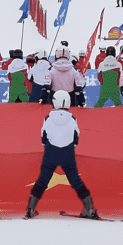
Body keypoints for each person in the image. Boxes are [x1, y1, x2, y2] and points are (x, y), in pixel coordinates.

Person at [25, 91, 97, 219]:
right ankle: (89, 208)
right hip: (68, 153)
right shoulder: (73, 119)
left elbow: (43, 138)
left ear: (54, 101)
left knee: (43, 180)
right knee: (76, 181)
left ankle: (30, 208)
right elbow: (76, 139)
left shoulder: (47, 118)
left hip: (50, 153)